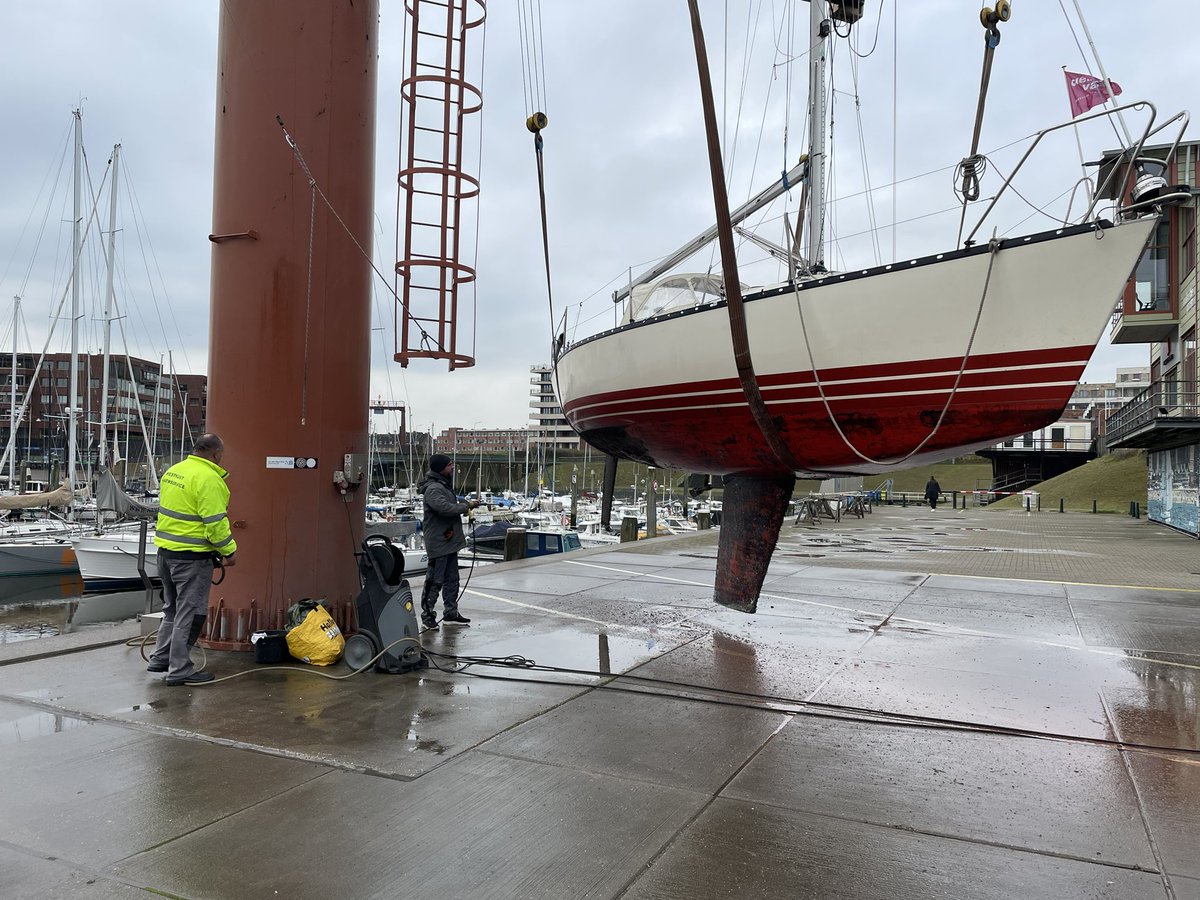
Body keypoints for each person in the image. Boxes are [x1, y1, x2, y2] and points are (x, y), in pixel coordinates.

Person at [147, 433, 238, 685]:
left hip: (165, 554)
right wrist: (229, 552)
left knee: (172, 609)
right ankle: (180, 670)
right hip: (191, 559)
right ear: (216, 454)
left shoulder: (174, 472)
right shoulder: (209, 479)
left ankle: (160, 658)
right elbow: (215, 523)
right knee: (190, 612)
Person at [418, 453, 479, 629]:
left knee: (452, 579)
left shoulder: (442, 486)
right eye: (449, 465)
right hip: (439, 542)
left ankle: (450, 613)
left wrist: (465, 503)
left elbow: (449, 503)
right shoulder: (434, 488)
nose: (452, 467)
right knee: (435, 580)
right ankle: (428, 616)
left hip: (449, 541)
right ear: (441, 468)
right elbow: (444, 508)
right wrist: (466, 506)